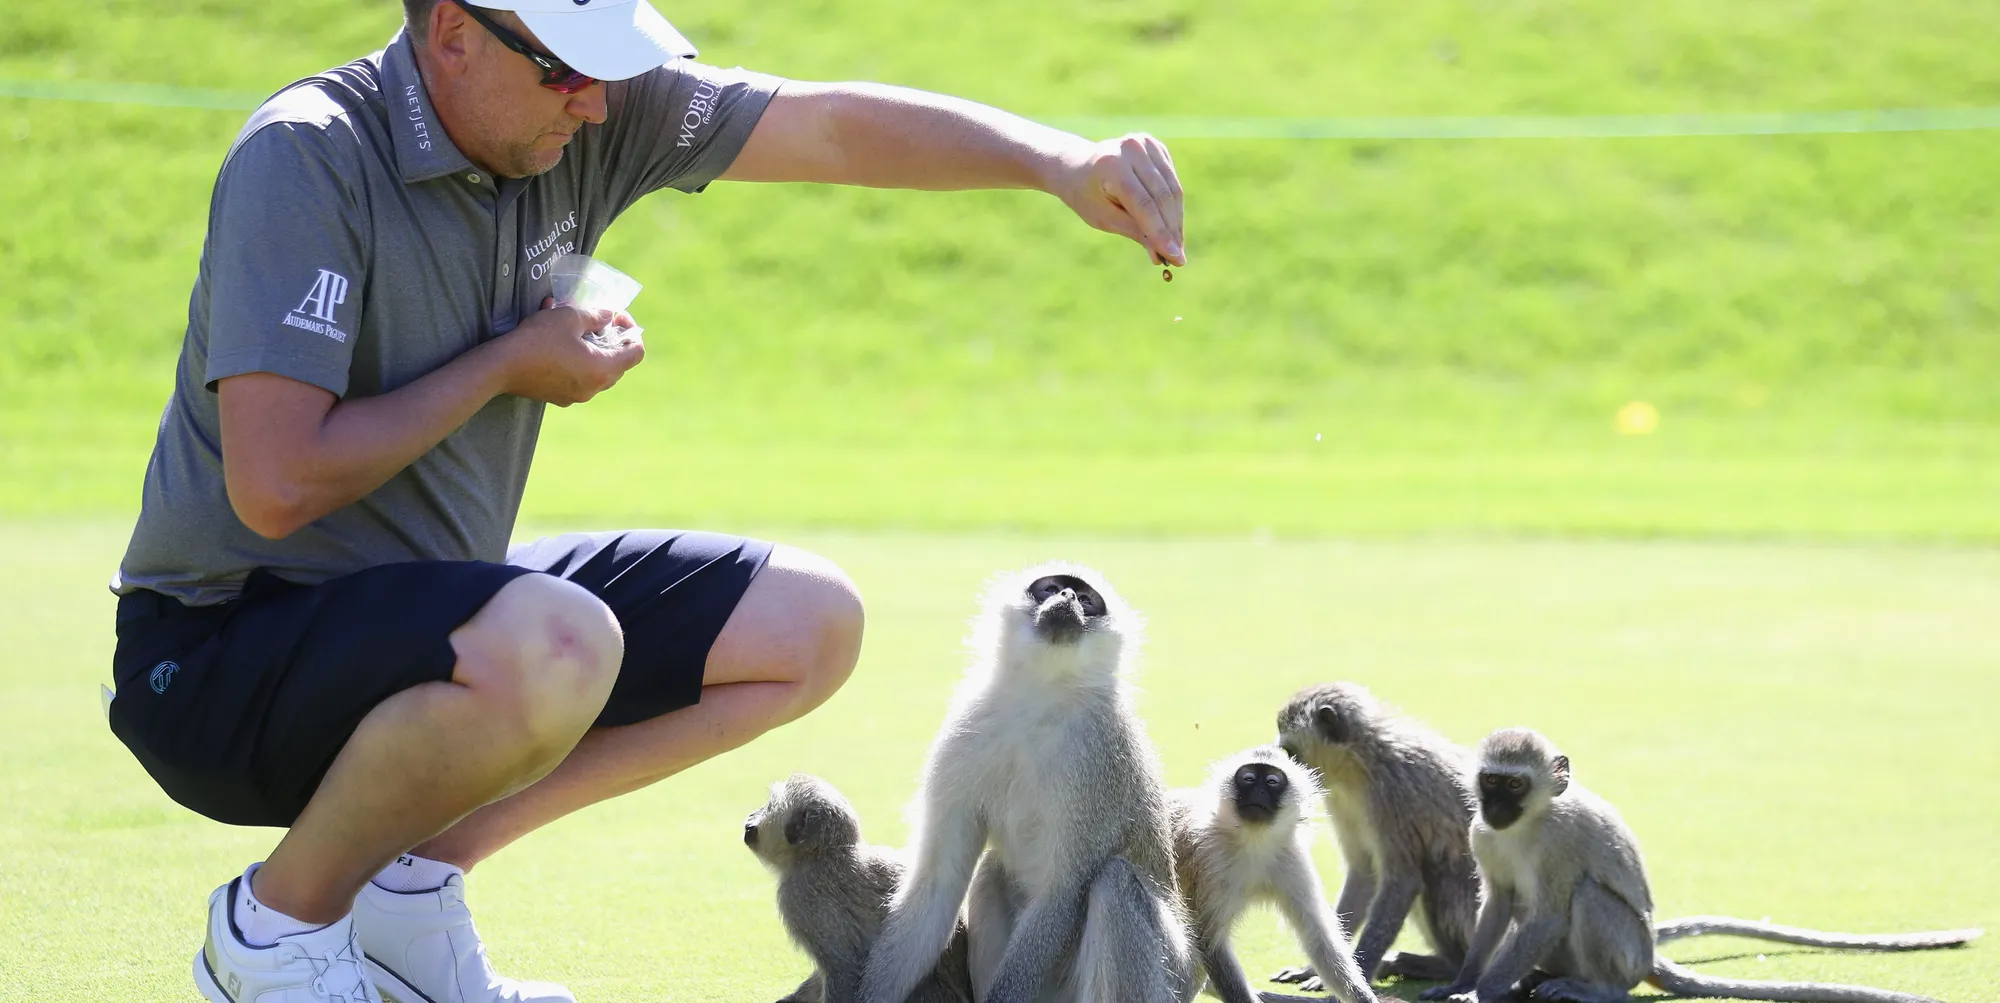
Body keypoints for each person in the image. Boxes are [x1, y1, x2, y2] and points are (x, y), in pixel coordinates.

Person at [104, 0, 1185, 1000]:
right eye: (568, 72)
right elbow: (277, 480)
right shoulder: (307, 154)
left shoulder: (586, 112)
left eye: (610, 70)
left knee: (807, 623)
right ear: (450, 32)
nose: (597, 101)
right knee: (557, 639)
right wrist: (506, 364)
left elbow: (831, 129)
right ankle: (274, 930)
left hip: (433, 613)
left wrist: (1055, 162)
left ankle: (407, 888)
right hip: (217, 655)